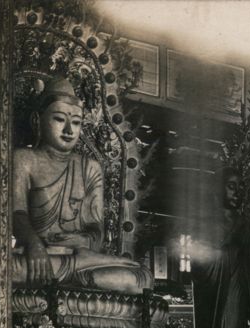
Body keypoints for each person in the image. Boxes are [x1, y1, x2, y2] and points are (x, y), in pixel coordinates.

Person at [12, 77, 153, 294]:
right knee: (8, 268)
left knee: (141, 279)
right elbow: (16, 213)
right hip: (38, 256)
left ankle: (74, 276)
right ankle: (82, 280)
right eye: (59, 119)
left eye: (76, 122)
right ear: (37, 120)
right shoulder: (24, 159)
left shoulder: (90, 168)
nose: (69, 129)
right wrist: (34, 243)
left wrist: (82, 241)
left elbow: (96, 231)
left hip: (78, 257)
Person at [192, 169, 250, 328]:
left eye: (241, 188)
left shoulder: (245, 223)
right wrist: (231, 253)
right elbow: (201, 262)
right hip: (217, 293)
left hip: (242, 291)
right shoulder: (207, 222)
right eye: (232, 187)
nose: (237, 192)